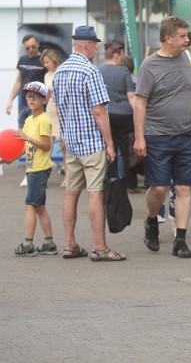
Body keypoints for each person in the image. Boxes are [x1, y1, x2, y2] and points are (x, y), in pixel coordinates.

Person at [133, 17, 191, 259]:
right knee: (159, 188)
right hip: (158, 136)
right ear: (168, 38)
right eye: (182, 36)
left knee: (184, 187)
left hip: (188, 133)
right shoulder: (150, 65)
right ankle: (151, 221)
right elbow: (140, 103)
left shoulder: (189, 59)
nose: (187, 40)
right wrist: (139, 138)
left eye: (187, 35)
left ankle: (180, 240)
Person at [53, 25, 125, 262]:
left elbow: (59, 109)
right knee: (96, 193)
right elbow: (99, 112)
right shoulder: (90, 72)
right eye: (94, 44)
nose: (95, 48)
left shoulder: (60, 71)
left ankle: (70, 244)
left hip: (71, 143)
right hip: (92, 143)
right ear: (88, 45)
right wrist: (110, 143)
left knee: (71, 193)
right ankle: (99, 247)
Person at [5, 81, 57, 257]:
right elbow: (22, 145)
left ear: (44, 100)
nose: (31, 99)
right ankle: (49, 243)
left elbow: (46, 145)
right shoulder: (28, 120)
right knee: (39, 206)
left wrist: (27, 137)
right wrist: (10, 159)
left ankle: (28, 244)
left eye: (35, 97)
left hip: (39, 169)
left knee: (30, 206)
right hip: (32, 167)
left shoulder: (44, 120)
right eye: (28, 96)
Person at [99, 41, 137, 191]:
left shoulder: (98, 71)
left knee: (110, 148)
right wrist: (140, 115)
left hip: (106, 114)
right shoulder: (124, 72)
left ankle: (112, 180)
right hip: (124, 114)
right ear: (117, 54)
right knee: (126, 150)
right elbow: (131, 96)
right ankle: (128, 183)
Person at [6, 34, 46, 129]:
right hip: (24, 101)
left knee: (36, 131)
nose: (31, 50)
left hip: (37, 102)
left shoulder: (43, 60)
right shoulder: (23, 60)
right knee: (22, 130)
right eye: (27, 48)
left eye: (33, 46)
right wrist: (10, 100)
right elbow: (18, 82)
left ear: (38, 44)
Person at [41, 49, 67, 186]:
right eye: (44, 62)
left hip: (61, 110)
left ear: (54, 60)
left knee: (64, 146)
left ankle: (68, 177)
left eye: (47, 62)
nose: (45, 64)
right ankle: (43, 177)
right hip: (50, 110)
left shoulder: (62, 72)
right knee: (47, 145)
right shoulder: (47, 75)